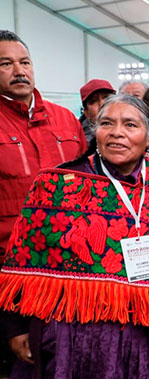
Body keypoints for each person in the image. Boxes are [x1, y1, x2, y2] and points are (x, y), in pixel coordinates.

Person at [1, 94, 149, 379]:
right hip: (70, 338)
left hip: (138, 338)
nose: (117, 134)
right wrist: (14, 327)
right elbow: (21, 262)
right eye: (107, 124)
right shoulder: (57, 183)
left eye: (130, 125)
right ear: (95, 131)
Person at [0, 30, 87, 263]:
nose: (19, 71)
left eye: (25, 62)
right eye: (6, 64)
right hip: (11, 259)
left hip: (71, 255)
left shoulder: (65, 118)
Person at [79, 78, 116, 144]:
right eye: (93, 101)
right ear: (87, 113)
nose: (101, 104)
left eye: (107, 98)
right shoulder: (83, 145)